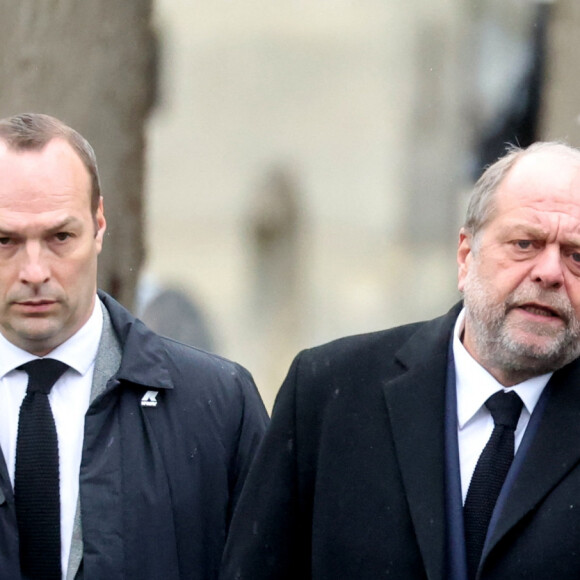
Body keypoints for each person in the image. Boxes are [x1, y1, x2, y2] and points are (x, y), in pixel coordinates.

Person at [219, 141, 580, 580]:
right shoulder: (330, 394)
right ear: (466, 257)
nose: (550, 272)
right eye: (525, 243)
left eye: (576, 255)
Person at [0, 112, 268, 580]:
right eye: (5, 240)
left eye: (60, 237)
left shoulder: (217, 405)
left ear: (99, 224)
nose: (35, 272)